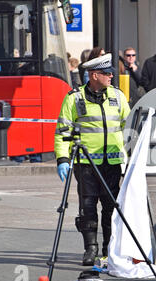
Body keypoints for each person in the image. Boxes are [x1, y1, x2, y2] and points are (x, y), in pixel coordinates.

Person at [54, 53, 131, 266]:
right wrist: (62, 158)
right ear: (94, 75)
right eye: (107, 74)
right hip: (85, 164)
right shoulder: (74, 98)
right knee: (87, 206)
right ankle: (91, 249)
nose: (111, 77)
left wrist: (133, 153)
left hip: (112, 163)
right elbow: (63, 131)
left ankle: (108, 249)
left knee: (110, 207)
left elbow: (130, 126)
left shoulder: (118, 96)